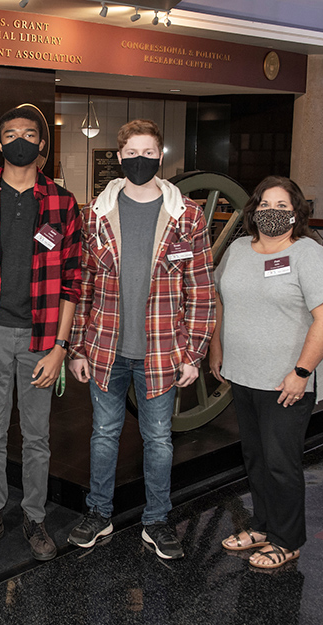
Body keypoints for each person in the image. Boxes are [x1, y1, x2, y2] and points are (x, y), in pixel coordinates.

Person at [67, 119, 215, 560]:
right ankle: (98, 513)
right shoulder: (95, 213)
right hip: (106, 347)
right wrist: (77, 347)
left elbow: (202, 289)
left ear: (161, 156)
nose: (141, 160)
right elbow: (85, 284)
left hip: (163, 351)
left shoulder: (185, 215)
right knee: (103, 435)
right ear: (119, 156)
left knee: (159, 439)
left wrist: (194, 353)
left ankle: (157, 520)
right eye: (133, 152)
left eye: (149, 153)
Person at [0, 106, 82, 562]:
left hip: (41, 339)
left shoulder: (63, 203)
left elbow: (72, 281)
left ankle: (35, 516)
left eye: (29, 134)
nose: (20, 141)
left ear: (42, 145)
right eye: (11, 134)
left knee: (37, 437)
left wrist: (60, 349)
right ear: (0, 143)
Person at [210, 176, 323, 569]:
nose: (273, 212)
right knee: (256, 456)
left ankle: (287, 539)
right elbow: (220, 300)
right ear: (253, 210)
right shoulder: (237, 249)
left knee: (281, 461)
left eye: (283, 206)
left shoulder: (309, 255)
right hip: (244, 375)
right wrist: (217, 348)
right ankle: (263, 526)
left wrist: (301, 371)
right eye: (265, 204)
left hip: (287, 380)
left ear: (297, 213)